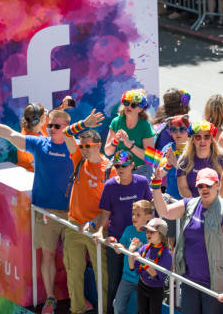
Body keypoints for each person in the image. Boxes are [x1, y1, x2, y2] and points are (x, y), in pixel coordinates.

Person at [0, 106, 76, 314]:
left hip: (72, 214)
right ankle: (51, 299)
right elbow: (9, 134)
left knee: (73, 260)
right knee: (48, 255)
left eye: (57, 126)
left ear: (67, 128)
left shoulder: (75, 148)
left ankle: (76, 298)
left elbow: (101, 157)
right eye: (50, 125)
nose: (52, 129)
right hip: (45, 212)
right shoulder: (38, 144)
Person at [151, 168, 223, 314]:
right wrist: (156, 185)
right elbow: (164, 211)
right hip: (189, 280)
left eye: (208, 185)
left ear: (217, 184)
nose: (204, 189)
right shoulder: (190, 204)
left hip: (214, 284)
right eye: (200, 186)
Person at [91, 151, 153, 314]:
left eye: (123, 165)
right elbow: (105, 213)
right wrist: (99, 231)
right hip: (117, 241)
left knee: (144, 283)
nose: (120, 169)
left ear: (132, 166)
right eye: (117, 166)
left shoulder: (142, 182)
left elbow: (150, 207)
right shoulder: (110, 185)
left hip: (142, 243)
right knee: (114, 282)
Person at [63, 122, 112, 314]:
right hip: (74, 225)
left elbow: (110, 206)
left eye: (87, 146)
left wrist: (93, 224)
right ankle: (77, 310)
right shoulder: (78, 159)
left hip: (97, 230)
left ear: (98, 145)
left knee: (103, 278)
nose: (83, 150)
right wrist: (84, 124)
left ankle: (104, 311)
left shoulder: (110, 169)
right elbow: (67, 134)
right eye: (81, 146)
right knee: (73, 273)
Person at [112, 200, 154, 314]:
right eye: (133, 214)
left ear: (148, 217)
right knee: (117, 305)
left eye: (138, 215)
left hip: (142, 280)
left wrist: (129, 250)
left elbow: (145, 257)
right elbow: (120, 250)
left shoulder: (149, 234)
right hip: (127, 276)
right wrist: (118, 246)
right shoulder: (128, 229)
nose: (134, 217)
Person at [105, 89, 156, 177]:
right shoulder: (116, 122)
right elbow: (108, 152)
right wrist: (114, 142)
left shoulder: (145, 126)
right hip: (121, 170)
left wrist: (130, 145)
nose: (129, 106)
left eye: (133, 105)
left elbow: (150, 158)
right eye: (126, 103)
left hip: (141, 171)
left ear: (140, 109)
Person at [127, 218, 172, 314]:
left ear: (161, 234)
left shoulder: (166, 254)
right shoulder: (145, 248)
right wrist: (131, 251)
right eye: (147, 231)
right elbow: (131, 267)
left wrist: (142, 261)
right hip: (142, 285)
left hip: (155, 290)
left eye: (152, 232)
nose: (148, 234)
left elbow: (155, 276)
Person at [176, 120, 223, 198]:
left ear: (211, 140)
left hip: (217, 204)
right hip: (194, 205)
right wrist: (196, 205)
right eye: (198, 137)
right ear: (193, 140)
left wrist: (214, 204)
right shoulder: (183, 162)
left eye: (207, 137)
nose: (202, 140)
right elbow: (183, 188)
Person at [158, 115, 190, 199]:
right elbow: (158, 174)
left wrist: (175, 163)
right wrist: (168, 165)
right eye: (174, 129)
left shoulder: (193, 149)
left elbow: (193, 175)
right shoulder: (167, 148)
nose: (178, 133)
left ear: (188, 131)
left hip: (189, 198)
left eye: (182, 129)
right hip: (171, 197)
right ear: (170, 133)